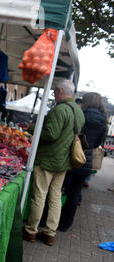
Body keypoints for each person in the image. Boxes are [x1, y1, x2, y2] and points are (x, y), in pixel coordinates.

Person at [23, 79, 85, 246]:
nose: (54, 95)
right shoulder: (79, 112)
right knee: (56, 197)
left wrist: (32, 128)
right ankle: (50, 233)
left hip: (48, 160)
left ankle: (31, 230)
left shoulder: (59, 110)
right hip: (65, 162)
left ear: (60, 91)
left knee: (40, 196)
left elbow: (51, 134)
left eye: (55, 92)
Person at [58, 92, 107, 232]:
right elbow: (99, 142)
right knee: (75, 192)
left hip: (71, 155)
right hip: (86, 159)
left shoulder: (80, 113)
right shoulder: (103, 120)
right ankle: (65, 224)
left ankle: (49, 219)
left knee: (59, 188)